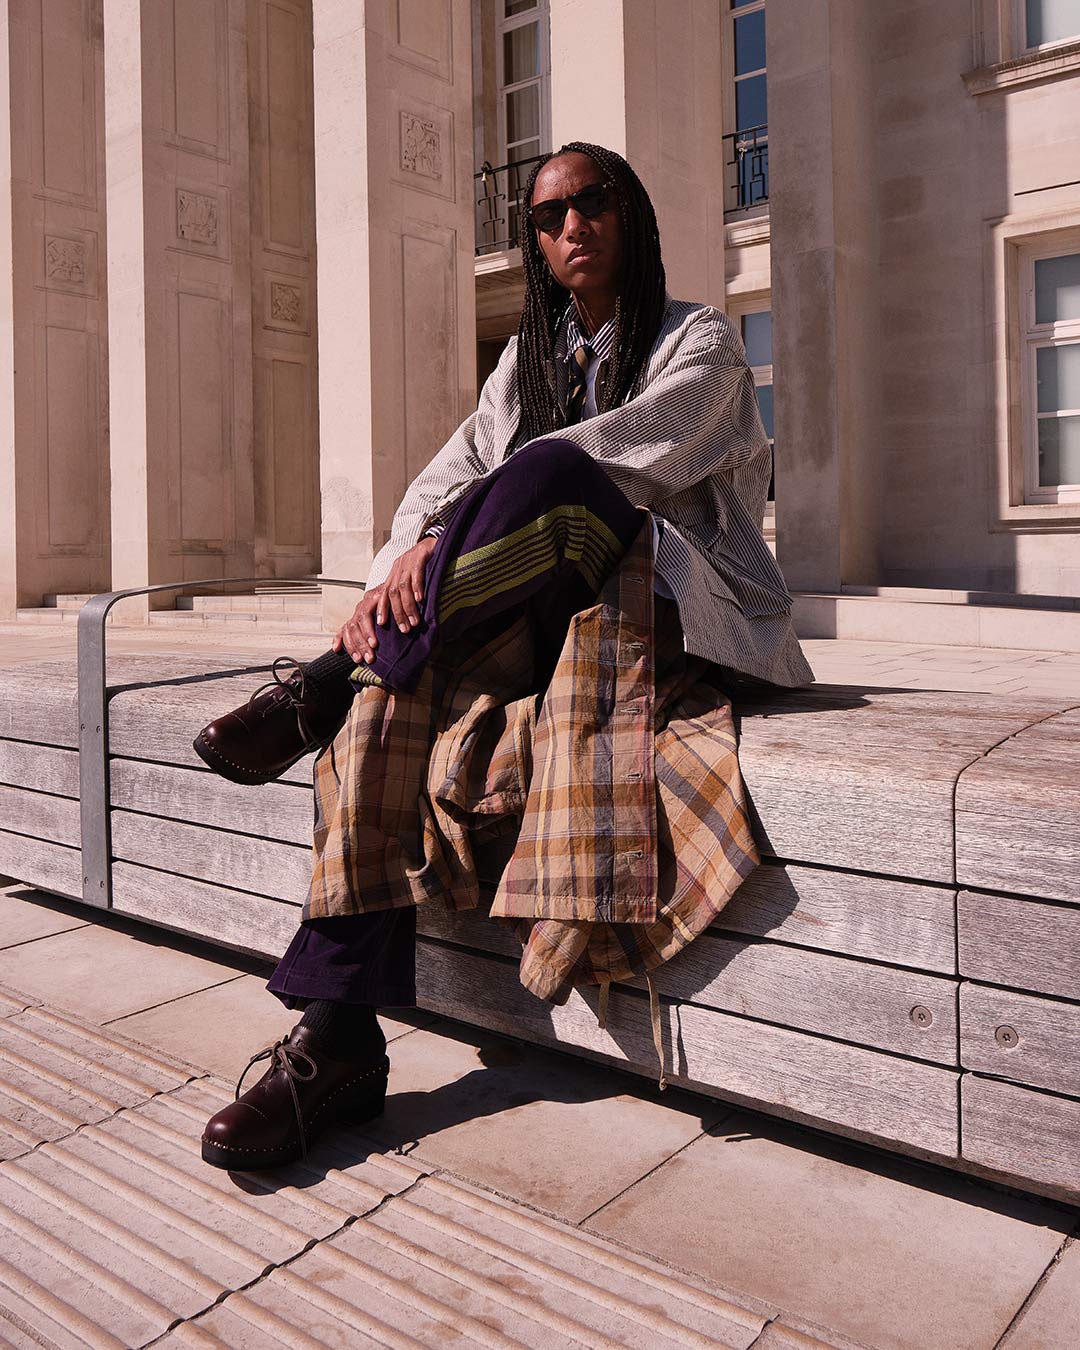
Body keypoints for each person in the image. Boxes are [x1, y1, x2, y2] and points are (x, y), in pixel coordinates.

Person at [196, 141, 814, 1172]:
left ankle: (321, 684)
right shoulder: (524, 363)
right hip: (529, 612)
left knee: (556, 473)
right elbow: (437, 484)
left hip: (667, 606)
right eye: (549, 215)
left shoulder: (699, 339)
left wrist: (447, 538)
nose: (573, 225)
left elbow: (617, 465)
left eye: (594, 200)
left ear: (631, 214)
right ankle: (337, 1038)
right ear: (535, 242)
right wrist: (399, 569)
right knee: (384, 708)